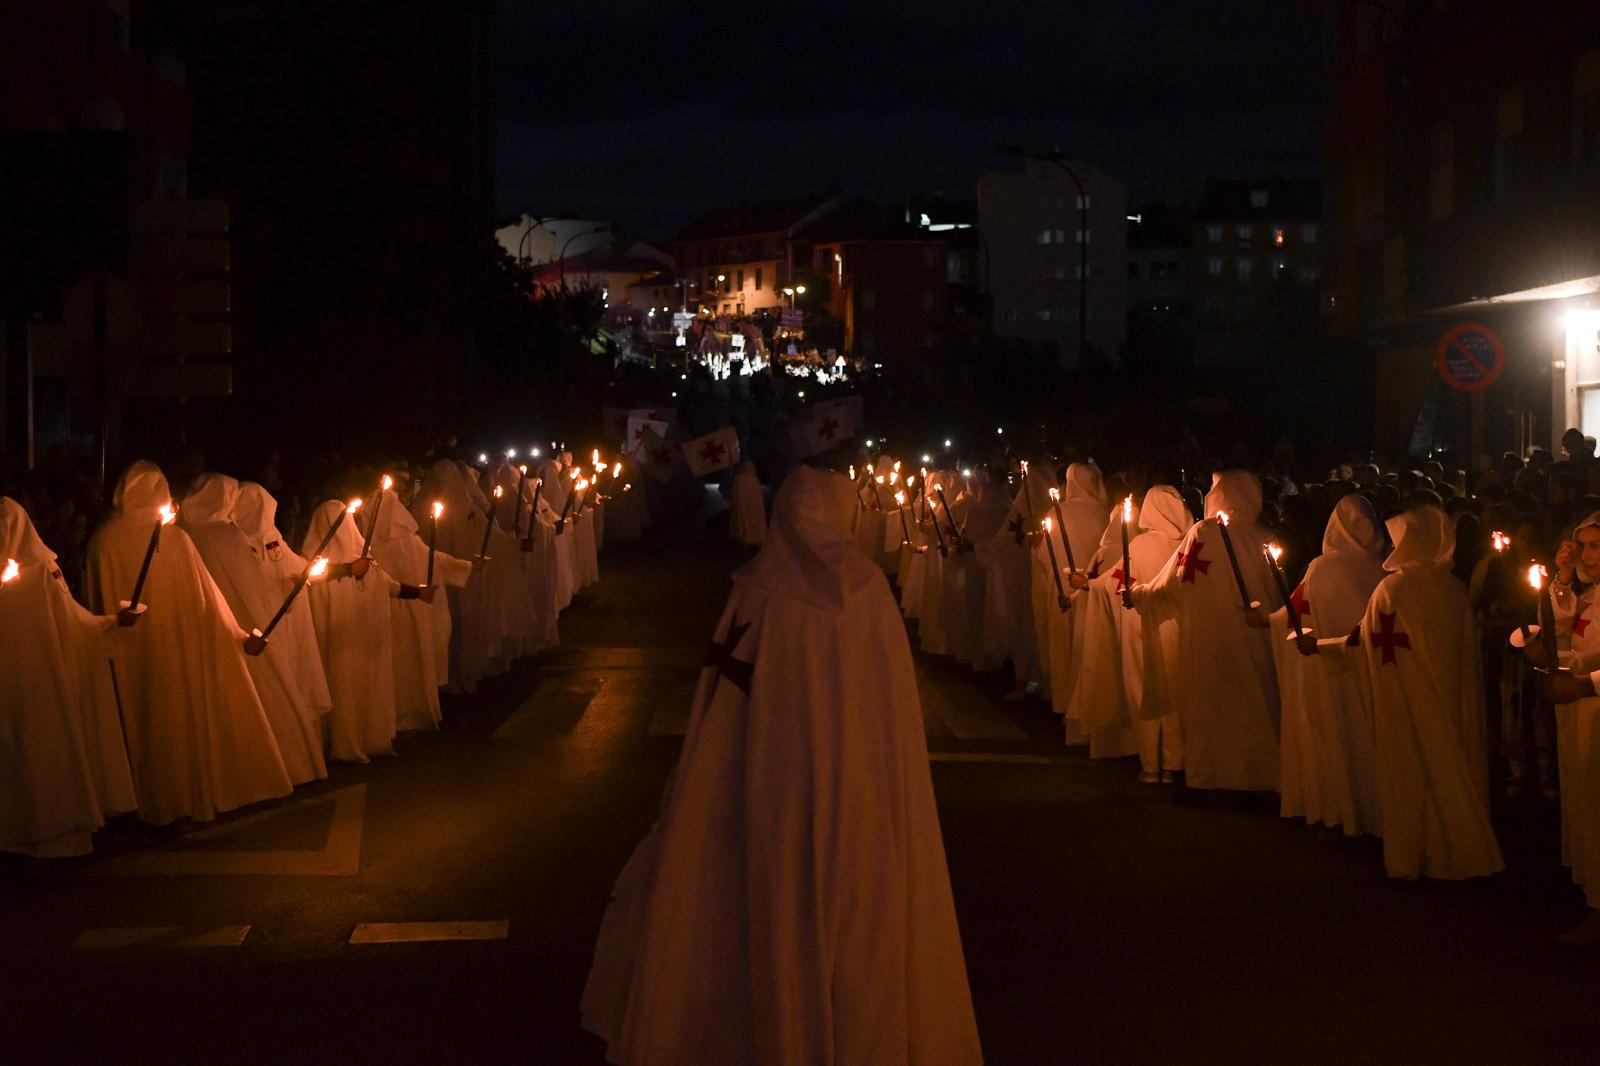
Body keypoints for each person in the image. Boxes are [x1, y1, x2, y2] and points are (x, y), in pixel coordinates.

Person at [581, 466, 982, 1064]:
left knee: (754, 920)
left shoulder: (755, 589)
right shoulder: (861, 594)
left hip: (757, 794)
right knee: (852, 931)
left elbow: (720, 707)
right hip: (855, 798)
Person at [86, 461, 292, 825]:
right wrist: (240, 636)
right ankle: (179, 803)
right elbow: (207, 603)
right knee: (173, 725)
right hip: (176, 658)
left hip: (126, 656)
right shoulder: (173, 538)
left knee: (132, 721)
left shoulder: (104, 539)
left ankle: (133, 809)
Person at [1357, 505, 1503, 880]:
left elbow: (1365, 643)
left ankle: (1413, 857)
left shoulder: (1392, 589)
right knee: (1448, 760)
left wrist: (1326, 647)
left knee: (1411, 773)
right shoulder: (1452, 590)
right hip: (1448, 700)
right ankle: (1453, 853)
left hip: (1403, 699)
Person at [1128, 470, 1282, 794]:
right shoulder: (1262, 536)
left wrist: (1140, 594)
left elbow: (1172, 583)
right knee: (1253, 706)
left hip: (1206, 639)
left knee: (1212, 708)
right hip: (1252, 638)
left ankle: (1210, 778)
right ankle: (1259, 780)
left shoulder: (1203, 532)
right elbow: (1276, 592)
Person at [1, 497, 137, 856]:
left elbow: (69, 620)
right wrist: (109, 624)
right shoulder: (35, 572)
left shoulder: (42, 571)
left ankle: (43, 846)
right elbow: (71, 623)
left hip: (38, 688)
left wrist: (107, 624)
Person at [182, 474, 329, 786]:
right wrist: (278, 606)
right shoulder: (225, 535)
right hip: (245, 631)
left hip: (203, 630)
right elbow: (255, 587)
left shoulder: (182, 534)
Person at [1273, 494, 1387, 835]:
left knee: (1339, 739)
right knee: (1370, 741)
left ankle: (1343, 814)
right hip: (1373, 668)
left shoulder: (1322, 568)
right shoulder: (1388, 567)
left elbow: (1293, 615)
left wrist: (1265, 620)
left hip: (1331, 668)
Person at [362, 484, 472, 732]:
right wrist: (465, 566)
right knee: (411, 661)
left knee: (395, 664)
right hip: (413, 607)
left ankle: (394, 714)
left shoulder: (373, 548)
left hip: (392, 610)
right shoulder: (410, 542)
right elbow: (439, 560)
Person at [301, 499, 401, 762]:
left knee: (355, 685)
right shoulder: (314, 561)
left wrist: (414, 591)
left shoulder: (361, 552)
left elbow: (383, 581)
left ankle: (360, 736)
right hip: (334, 637)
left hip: (358, 640)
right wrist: (346, 570)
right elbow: (308, 576)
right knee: (339, 682)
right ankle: (340, 742)